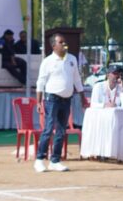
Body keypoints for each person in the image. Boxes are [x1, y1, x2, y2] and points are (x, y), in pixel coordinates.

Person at [34, 34, 86, 173]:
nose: (64, 44)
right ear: (54, 46)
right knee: (49, 129)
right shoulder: (47, 61)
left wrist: (82, 97)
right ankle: (39, 160)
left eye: (65, 41)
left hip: (66, 100)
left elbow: (77, 79)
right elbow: (40, 82)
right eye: (61, 42)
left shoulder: (72, 59)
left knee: (61, 131)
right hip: (52, 99)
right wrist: (39, 101)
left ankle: (55, 160)